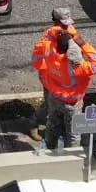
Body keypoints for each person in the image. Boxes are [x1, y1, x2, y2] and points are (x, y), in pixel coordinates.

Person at [37, 29, 96, 147]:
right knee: (73, 133)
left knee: (52, 125)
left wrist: (56, 33)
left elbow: (45, 43)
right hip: (72, 104)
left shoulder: (50, 55)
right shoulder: (79, 67)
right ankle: (71, 157)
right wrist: (83, 44)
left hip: (54, 98)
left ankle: (48, 147)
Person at [29, 8, 80, 141]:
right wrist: (49, 72)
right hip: (51, 78)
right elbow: (37, 60)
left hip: (65, 76)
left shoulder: (71, 31)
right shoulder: (47, 39)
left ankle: (58, 126)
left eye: (68, 22)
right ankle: (33, 122)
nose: (66, 25)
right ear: (55, 21)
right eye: (63, 22)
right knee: (49, 104)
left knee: (57, 105)